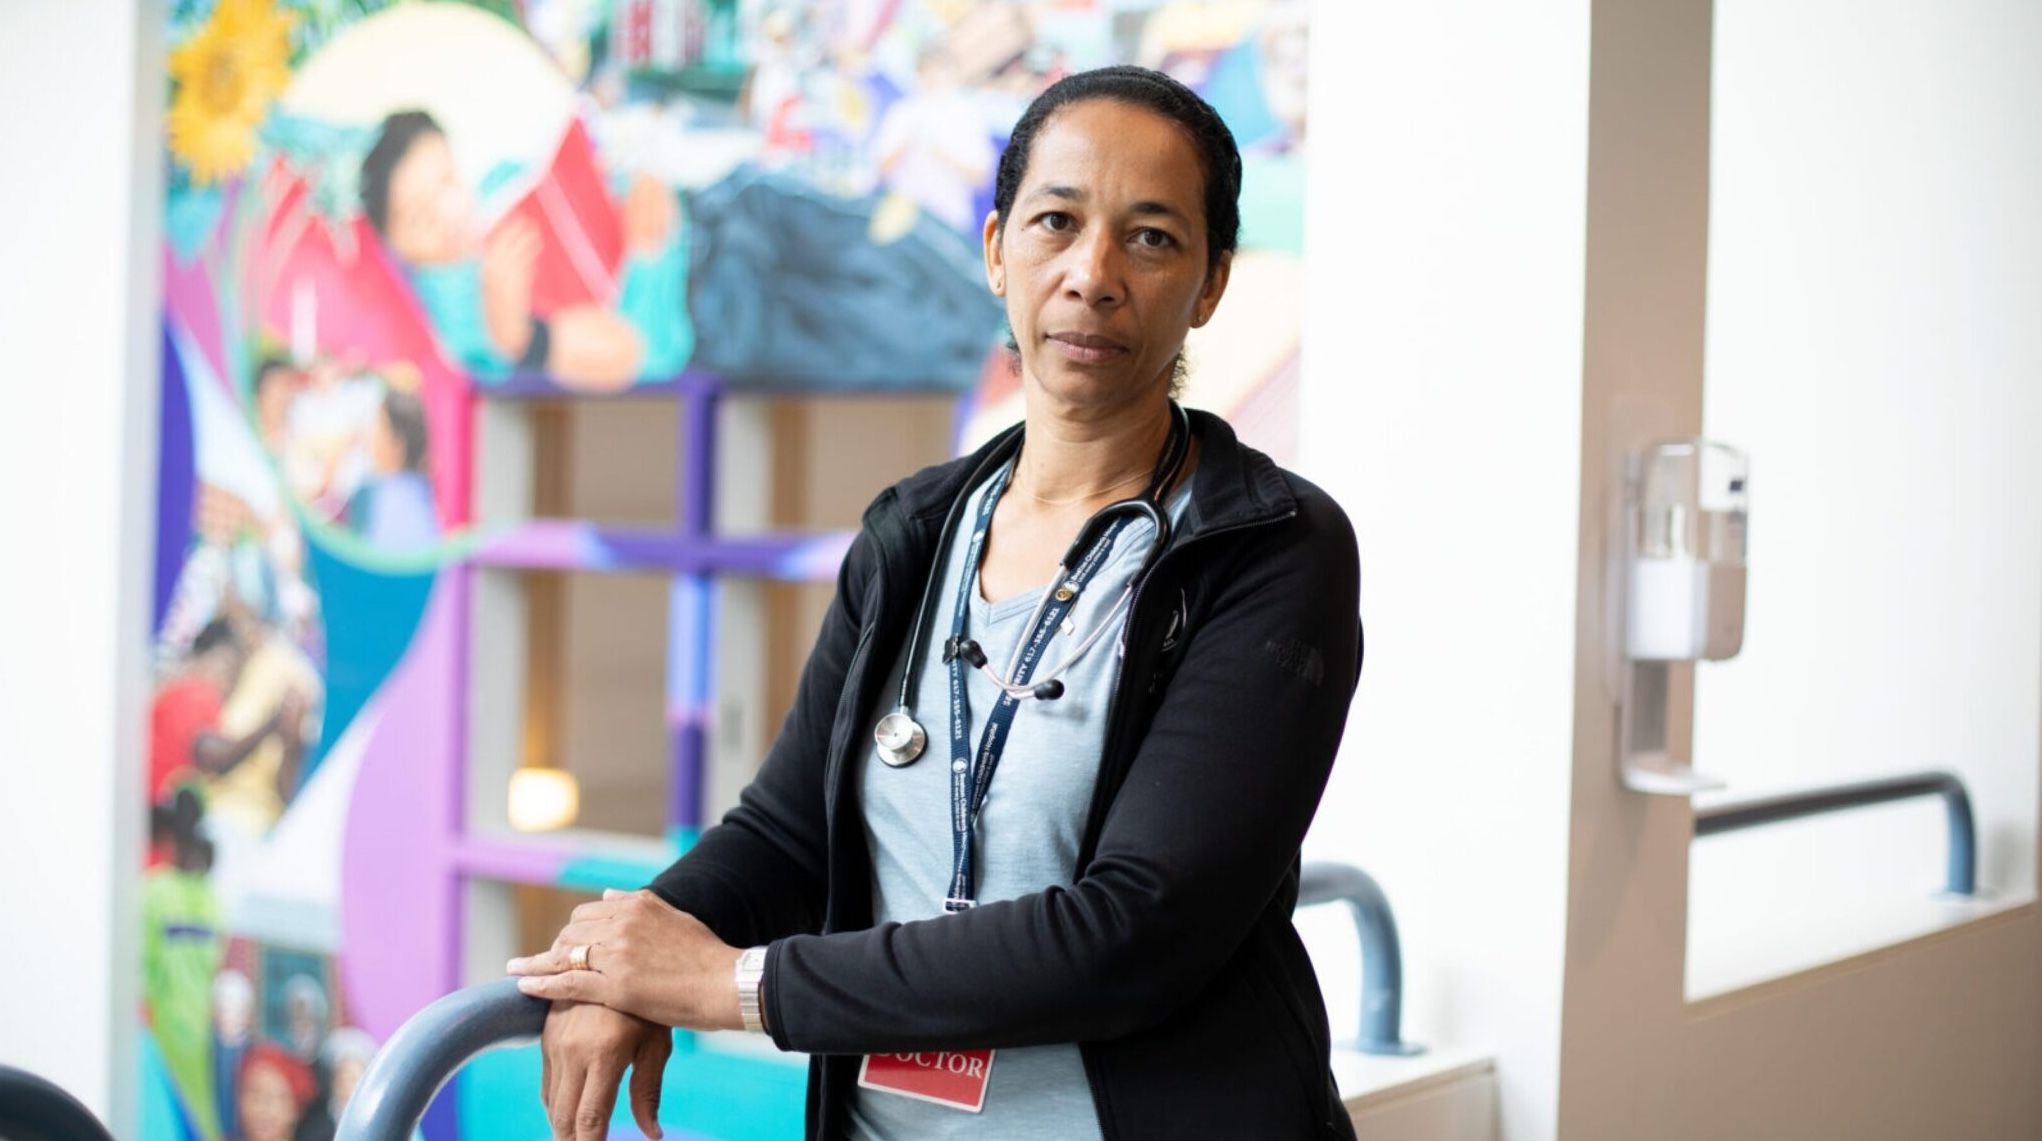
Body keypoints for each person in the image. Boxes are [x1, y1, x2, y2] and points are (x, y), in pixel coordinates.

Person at [508, 66, 1361, 1140]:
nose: (1091, 273)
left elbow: (1134, 931)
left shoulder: (1269, 551)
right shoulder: (913, 533)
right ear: (998, 247)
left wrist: (731, 986)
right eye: (1056, 221)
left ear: (1209, 283)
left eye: (1149, 237)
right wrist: (619, 956)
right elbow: (784, 836)